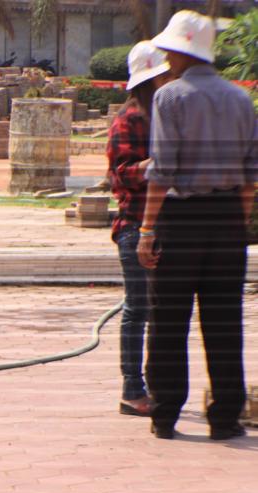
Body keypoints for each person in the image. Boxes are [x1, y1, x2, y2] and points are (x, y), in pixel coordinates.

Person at [137, 10, 256, 440]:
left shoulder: (170, 98)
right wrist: (235, 224)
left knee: (168, 321)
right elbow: (250, 175)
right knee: (224, 322)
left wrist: (148, 230)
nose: (166, 58)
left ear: (180, 52)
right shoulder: (240, 98)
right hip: (226, 221)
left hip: (182, 220)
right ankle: (224, 417)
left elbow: (163, 171)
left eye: (169, 51)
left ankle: (165, 413)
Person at [106, 41, 174, 418]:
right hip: (135, 225)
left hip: (164, 222)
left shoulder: (163, 115)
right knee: (138, 309)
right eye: (163, 76)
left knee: (159, 310)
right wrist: (160, 164)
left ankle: (154, 382)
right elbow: (122, 176)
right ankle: (132, 389)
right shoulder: (130, 120)